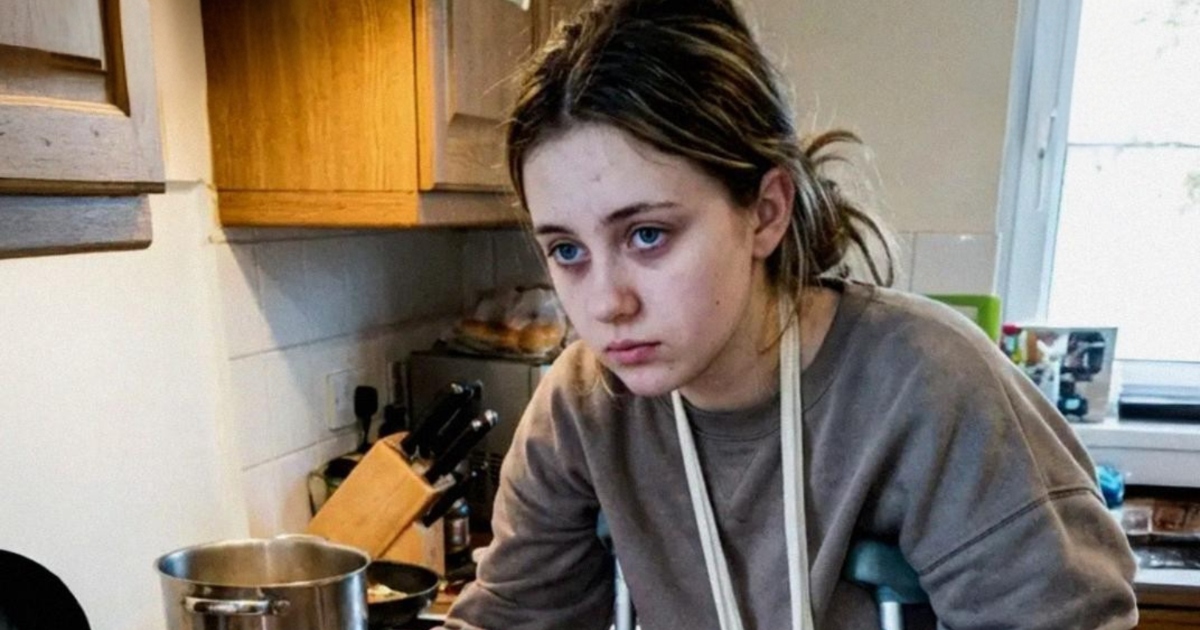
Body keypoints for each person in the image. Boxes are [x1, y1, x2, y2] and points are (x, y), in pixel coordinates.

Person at [442, 1, 1138, 628]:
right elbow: (510, 619)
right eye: (567, 250)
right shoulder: (583, 408)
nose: (604, 304)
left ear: (766, 213)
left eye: (647, 235)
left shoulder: (930, 388)